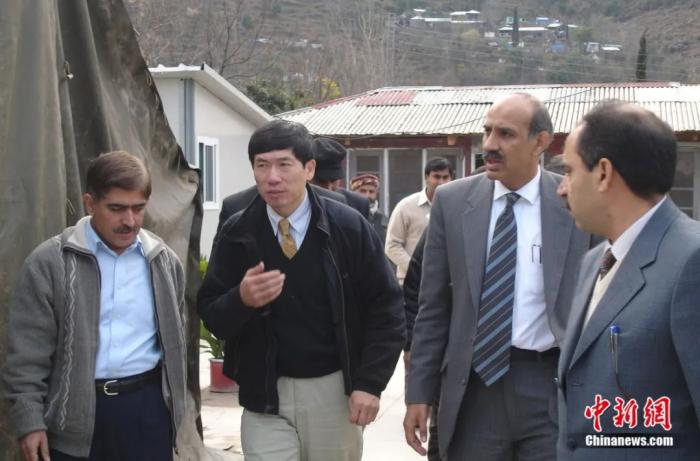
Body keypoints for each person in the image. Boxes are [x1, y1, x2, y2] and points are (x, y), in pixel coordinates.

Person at [197, 120, 405, 461]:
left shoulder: (347, 226)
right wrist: (241, 299)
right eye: (262, 166)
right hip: (264, 393)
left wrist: (370, 383)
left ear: (309, 169)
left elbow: (386, 308)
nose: (272, 177)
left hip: (333, 391)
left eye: (284, 164)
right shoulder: (238, 231)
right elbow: (211, 312)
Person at [404, 93, 594, 460]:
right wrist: (419, 392)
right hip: (474, 388)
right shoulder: (452, 202)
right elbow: (433, 308)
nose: (489, 145)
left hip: (549, 387)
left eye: (505, 134)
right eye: (487, 131)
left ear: (540, 142)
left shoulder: (573, 203)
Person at [2, 151, 187, 461]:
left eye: (138, 208)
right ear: (90, 203)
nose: (129, 221)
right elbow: (27, 355)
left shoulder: (163, 262)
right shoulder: (51, 263)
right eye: (117, 209)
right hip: (74, 421)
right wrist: (29, 421)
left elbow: (176, 343)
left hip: (148, 413)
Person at [557, 101, 700, 459]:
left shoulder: (691, 261)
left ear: (603, 173)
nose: (561, 188)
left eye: (569, 171)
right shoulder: (594, 262)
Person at [385, 157, 452, 284]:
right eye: (436, 177)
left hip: (446, 282)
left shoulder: (456, 207)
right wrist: (416, 270)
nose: (441, 182)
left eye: (445, 177)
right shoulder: (406, 207)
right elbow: (392, 246)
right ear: (426, 178)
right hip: (412, 282)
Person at [311, 137, 370, 219]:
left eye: (333, 180)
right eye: (321, 182)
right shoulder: (295, 204)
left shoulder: (358, 204)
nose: (329, 187)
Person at [350, 173, 389, 242]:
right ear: (353, 193)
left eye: (371, 192)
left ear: (376, 194)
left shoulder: (384, 221)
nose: (367, 195)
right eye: (363, 191)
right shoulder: (348, 217)